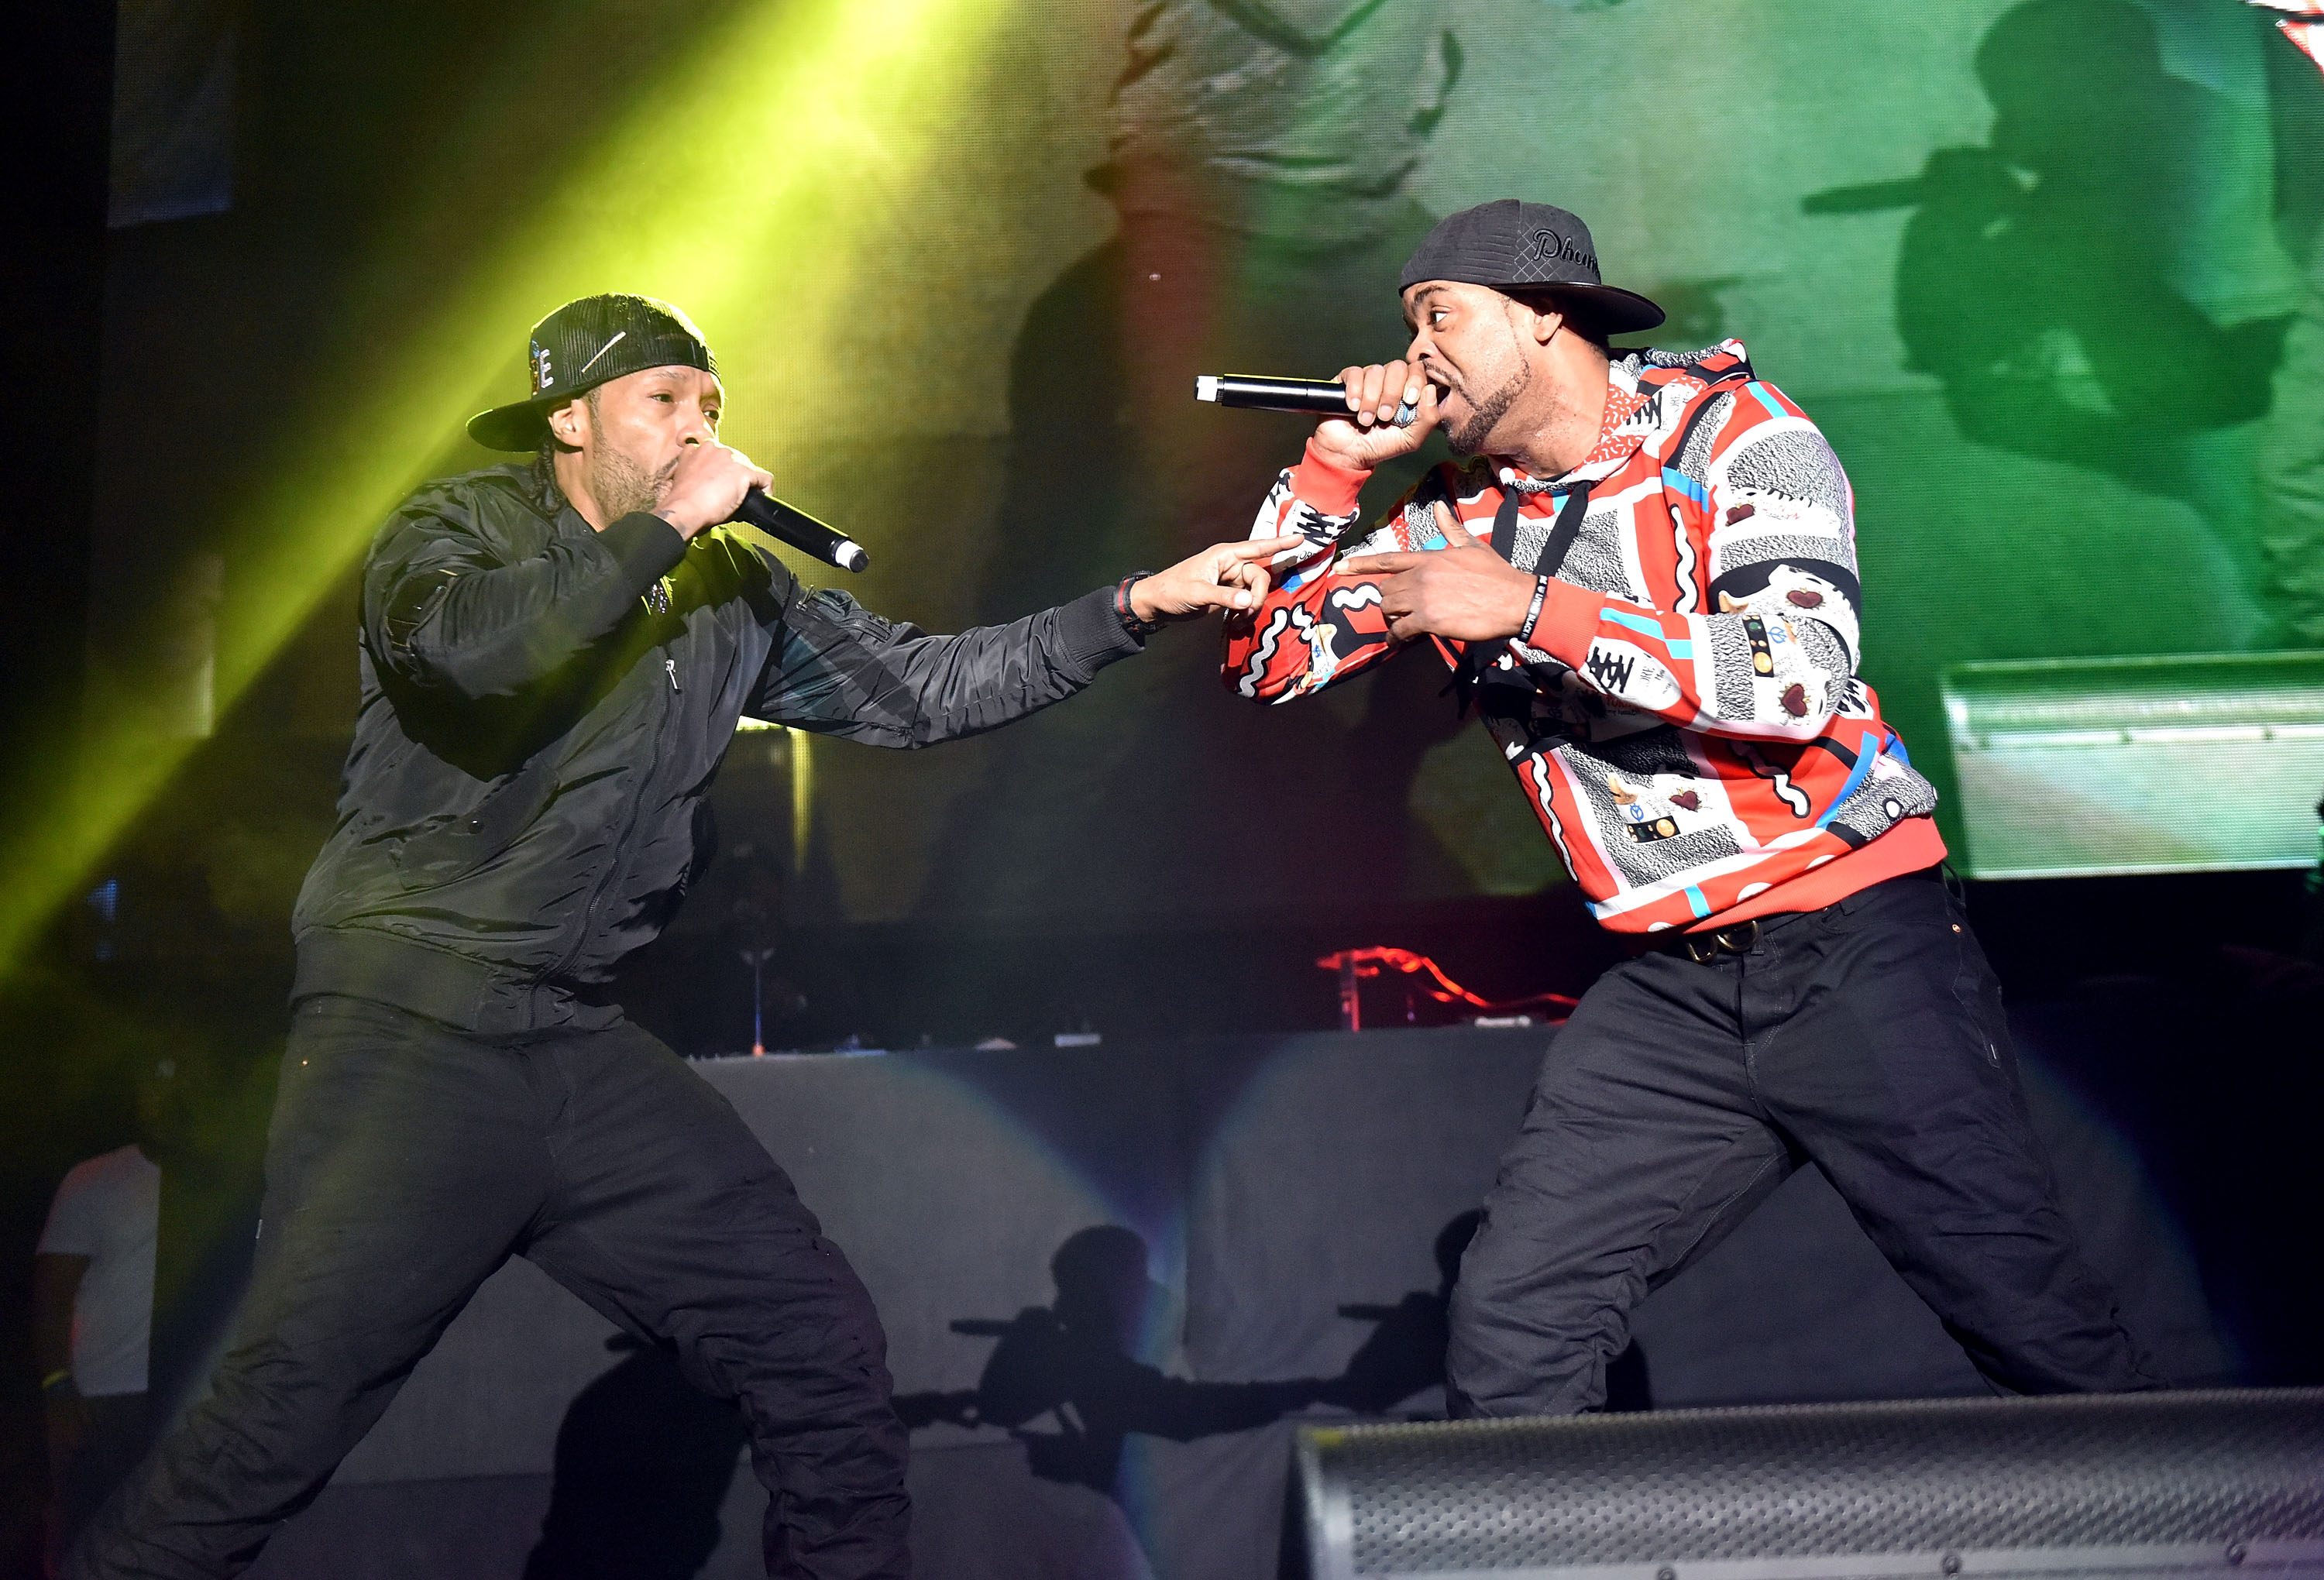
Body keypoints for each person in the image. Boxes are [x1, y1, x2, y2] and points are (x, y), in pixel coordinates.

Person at [67, 293, 1298, 1580]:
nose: (701, 428)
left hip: (578, 1038)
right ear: (568, 418)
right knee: (276, 1421)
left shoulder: (731, 594)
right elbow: (480, 661)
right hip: (409, 1032)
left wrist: (1138, 604)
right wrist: (667, 524)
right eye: (665, 401)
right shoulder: (454, 534)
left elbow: (926, 690)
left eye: (711, 406)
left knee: (815, 1348)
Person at [1224, 199, 2164, 1416]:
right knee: (1518, 1320)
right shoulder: (1452, 513)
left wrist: (1529, 611)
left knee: (2031, 1322)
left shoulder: (1741, 437)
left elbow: (1796, 679)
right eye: (1408, 332)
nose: (1414, 361)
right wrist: (1336, 467)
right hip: (1674, 986)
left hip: (1855, 943)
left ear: (1543, 317)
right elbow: (1268, 664)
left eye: (1439, 320)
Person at [36, 1115, 161, 1573]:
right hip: (101, 1404)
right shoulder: (95, 1179)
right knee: (87, 1541)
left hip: (185, 1394)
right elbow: (51, 1295)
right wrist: (57, 1389)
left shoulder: (223, 1183)